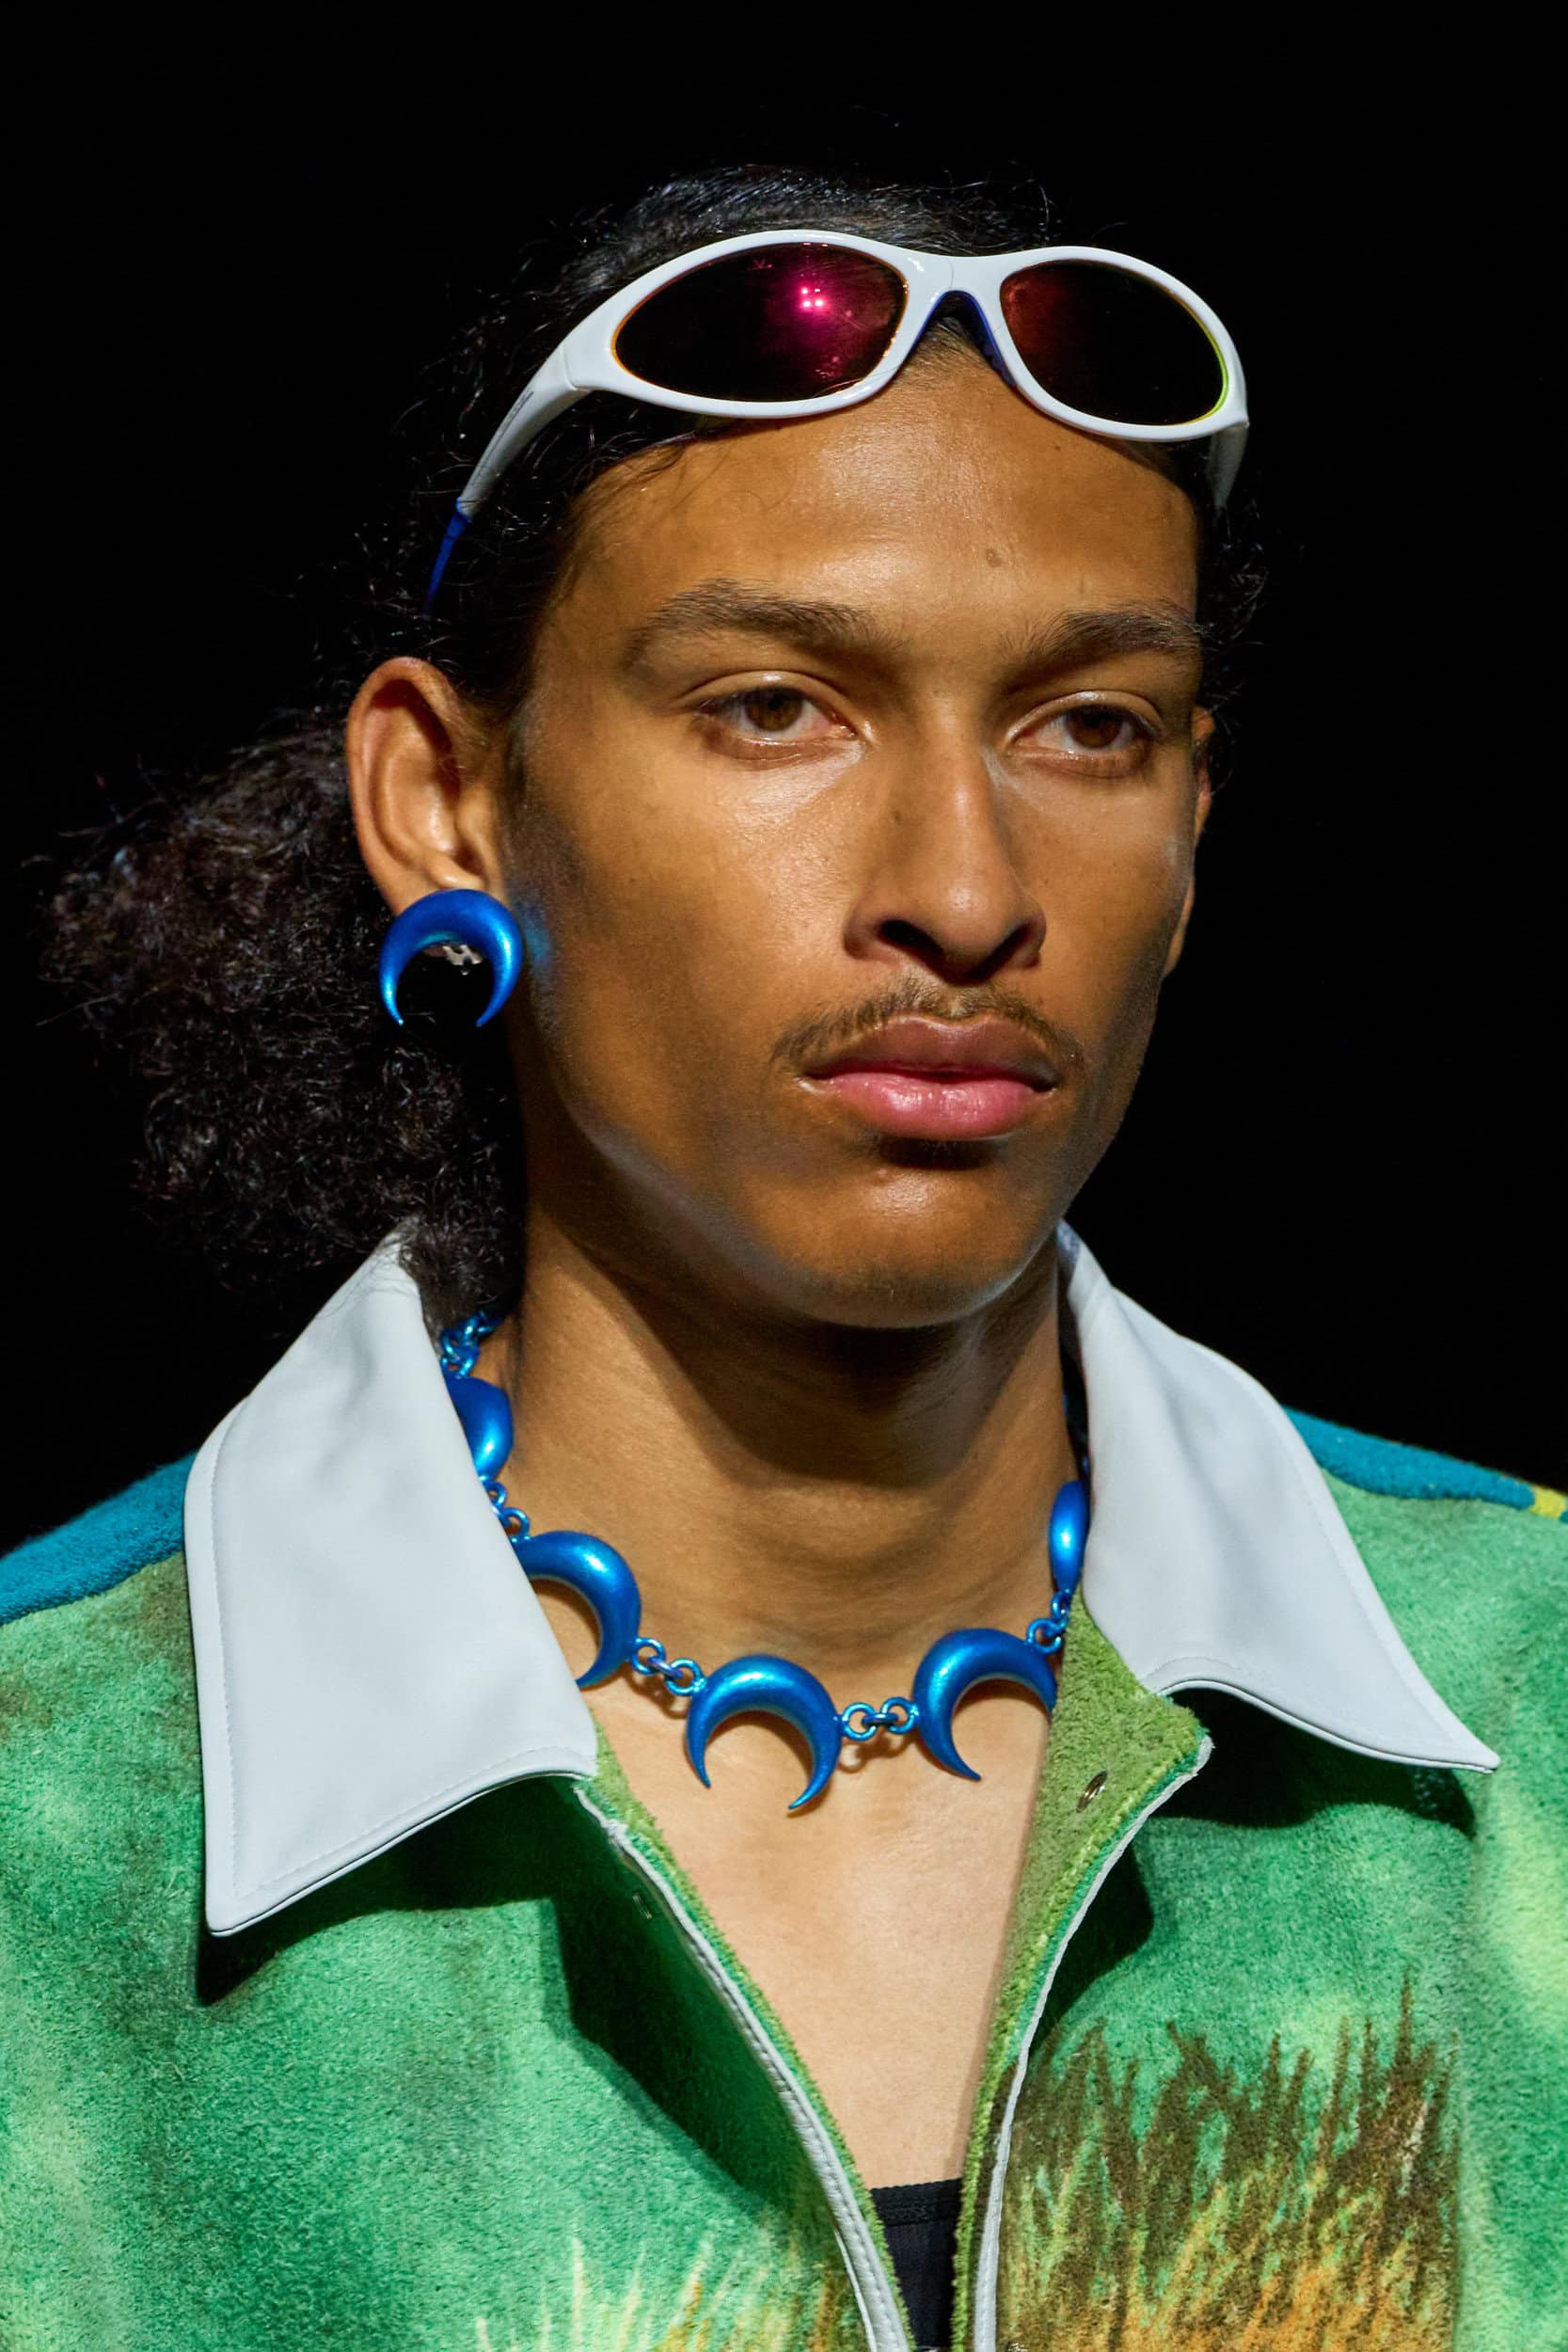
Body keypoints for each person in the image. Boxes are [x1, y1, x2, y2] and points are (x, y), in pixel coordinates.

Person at [2, 166, 1562, 2352]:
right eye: (773, 704)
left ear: (1194, 825)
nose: (966, 886)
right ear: (446, 800)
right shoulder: (51, 1807)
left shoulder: (1531, 1703)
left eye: (1090, 724)